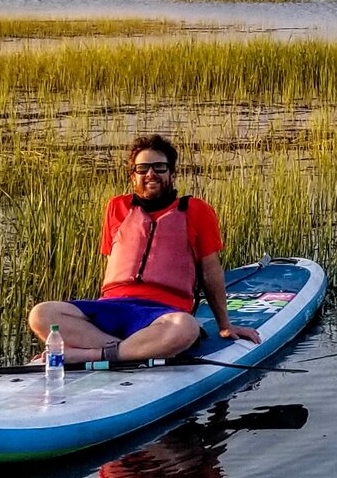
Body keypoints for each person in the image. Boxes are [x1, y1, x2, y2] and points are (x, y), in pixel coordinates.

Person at [30, 135, 252, 363]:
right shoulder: (116, 207)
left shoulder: (197, 210)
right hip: (111, 308)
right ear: (132, 176)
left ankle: (88, 354)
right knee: (42, 314)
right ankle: (132, 350)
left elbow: (210, 272)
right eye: (142, 168)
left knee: (186, 327)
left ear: (172, 174)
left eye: (159, 167)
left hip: (161, 315)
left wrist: (224, 325)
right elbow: (113, 265)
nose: (151, 174)